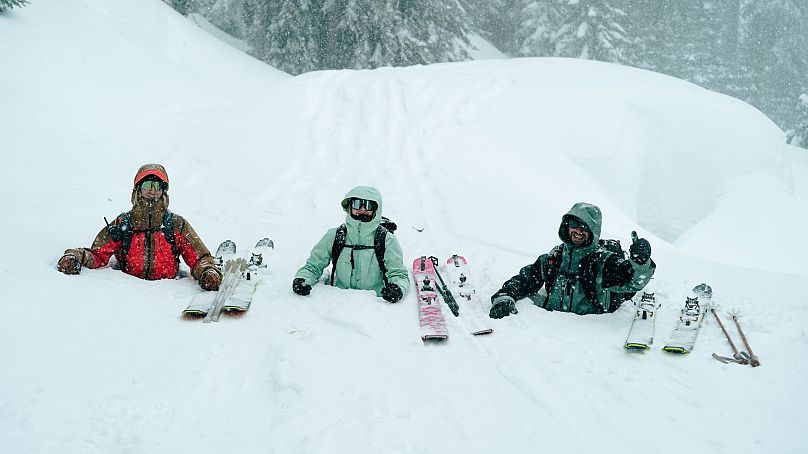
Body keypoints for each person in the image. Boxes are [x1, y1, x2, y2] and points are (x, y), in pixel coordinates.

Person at [57, 164, 222, 291]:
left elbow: (200, 258)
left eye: (157, 186)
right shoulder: (124, 223)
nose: (152, 191)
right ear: (138, 189)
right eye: (148, 185)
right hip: (128, 296)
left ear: (163, 191)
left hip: (169, 297)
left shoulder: (176, 224)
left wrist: (208, 272)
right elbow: (97, 255)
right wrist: (74, 256)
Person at [489, 202, 655, 318]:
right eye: (574, 224)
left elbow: (633, 281)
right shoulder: (555, 257)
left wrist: (641, 263)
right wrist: (505, 297)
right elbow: (525, 280)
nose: (578, 231)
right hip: (546, 337)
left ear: (594, 231)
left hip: (591, 344)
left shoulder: (603, 262)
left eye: (585, 227)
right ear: (566, 226)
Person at [293, 186, 409, 303]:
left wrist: (397, 289)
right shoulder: (335, 236)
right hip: (338, 305)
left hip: (374, 307)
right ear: (349, 207)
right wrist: (302, 279)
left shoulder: (387, 240)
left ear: (376, 210)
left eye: (369, 205)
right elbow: (313, 266)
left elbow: (398, 274)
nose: (362, 209)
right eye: (357, 204)